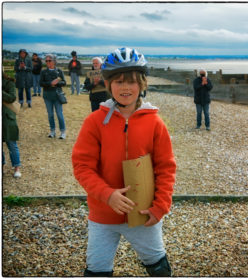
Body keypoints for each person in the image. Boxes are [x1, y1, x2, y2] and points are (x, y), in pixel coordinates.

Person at [72, 47, 176, 277]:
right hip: (103, 214)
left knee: (159, 268)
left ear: (142, 85)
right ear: (108, 85)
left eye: (131, 81)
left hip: (143, 213)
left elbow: (166, 168)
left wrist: (160, 206)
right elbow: (82, 166)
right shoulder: (95, 122)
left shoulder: (155, 123)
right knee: (97, 270)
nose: (125, 88)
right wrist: (107, 194)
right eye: (118, 82)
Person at [40, 54, 67, 139]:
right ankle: (52, 131)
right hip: (47, 96)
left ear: (54, 61)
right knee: (50, 114)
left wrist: (57, 83)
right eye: (46, 61)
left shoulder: (59, 71)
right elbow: (41, 83)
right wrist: (50, 83)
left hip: (57, 96)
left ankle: (62, 131)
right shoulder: (43, 72)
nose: (48, 62)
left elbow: (64, 82)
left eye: (49, 60)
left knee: (59, 114)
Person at [2, 71, 22, 178]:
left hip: (7, 116)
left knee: (12, 144)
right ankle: (2, 167)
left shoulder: (9, 82)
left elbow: (12, 98)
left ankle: (17, 167)